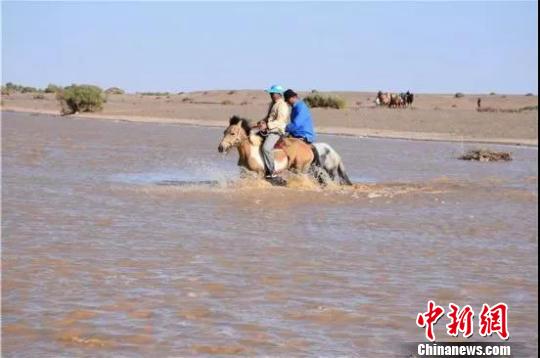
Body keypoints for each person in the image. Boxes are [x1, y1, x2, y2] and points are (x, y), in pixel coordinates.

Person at [258, 85, 290, 179]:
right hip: (269, 129)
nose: (271, 95)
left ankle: (272, 172)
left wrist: (267, 125)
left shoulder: (282, 105)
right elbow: (269, 117)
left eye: (272, 93)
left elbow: (280, 121)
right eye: (270, 93)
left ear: (278, 94)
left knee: (266, 148)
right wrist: (262, 122)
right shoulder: (273, 104)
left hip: (277, 131)